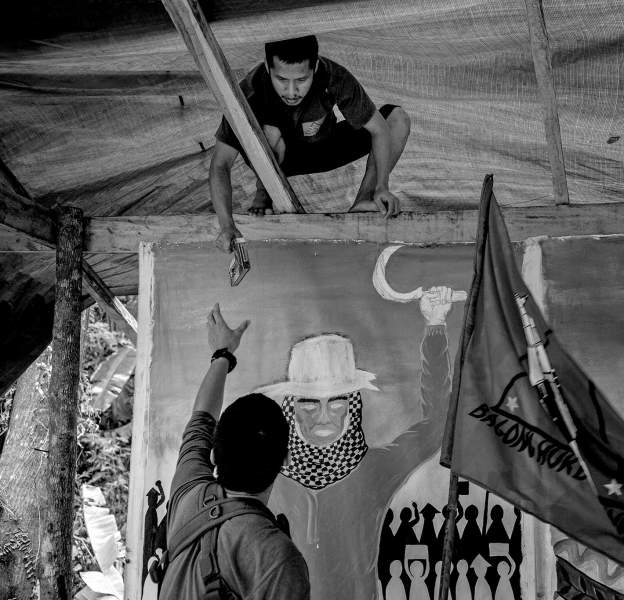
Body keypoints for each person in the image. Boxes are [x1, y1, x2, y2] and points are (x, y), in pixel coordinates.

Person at [255, 286, 455, 598]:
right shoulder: (266, 479)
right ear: (292, 409)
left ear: (353, 407)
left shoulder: (373, 470)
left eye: (336, 403)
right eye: (310, 404)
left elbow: (438, 423)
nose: (324, 417)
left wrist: (435, 326)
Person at [158, 304, 310, 599]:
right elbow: (201, 424)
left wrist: (222, 354)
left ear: (214, 455)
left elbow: (200, 420)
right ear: (286, 460)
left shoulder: (190, 494)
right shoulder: (278, 560)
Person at [210, 35, 411, 251]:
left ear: (315, 67)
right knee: (270, 131)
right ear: (268, 67)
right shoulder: (249, 91)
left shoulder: (334, 75)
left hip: (324, 145)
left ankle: (364, 200)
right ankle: (264, 193)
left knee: (396, 119)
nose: (291, 91)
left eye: (301, 80)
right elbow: (221, 163)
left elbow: (379, 130)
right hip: (280, 160)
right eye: (282, 80)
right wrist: (226, 225)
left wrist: (382, 186)